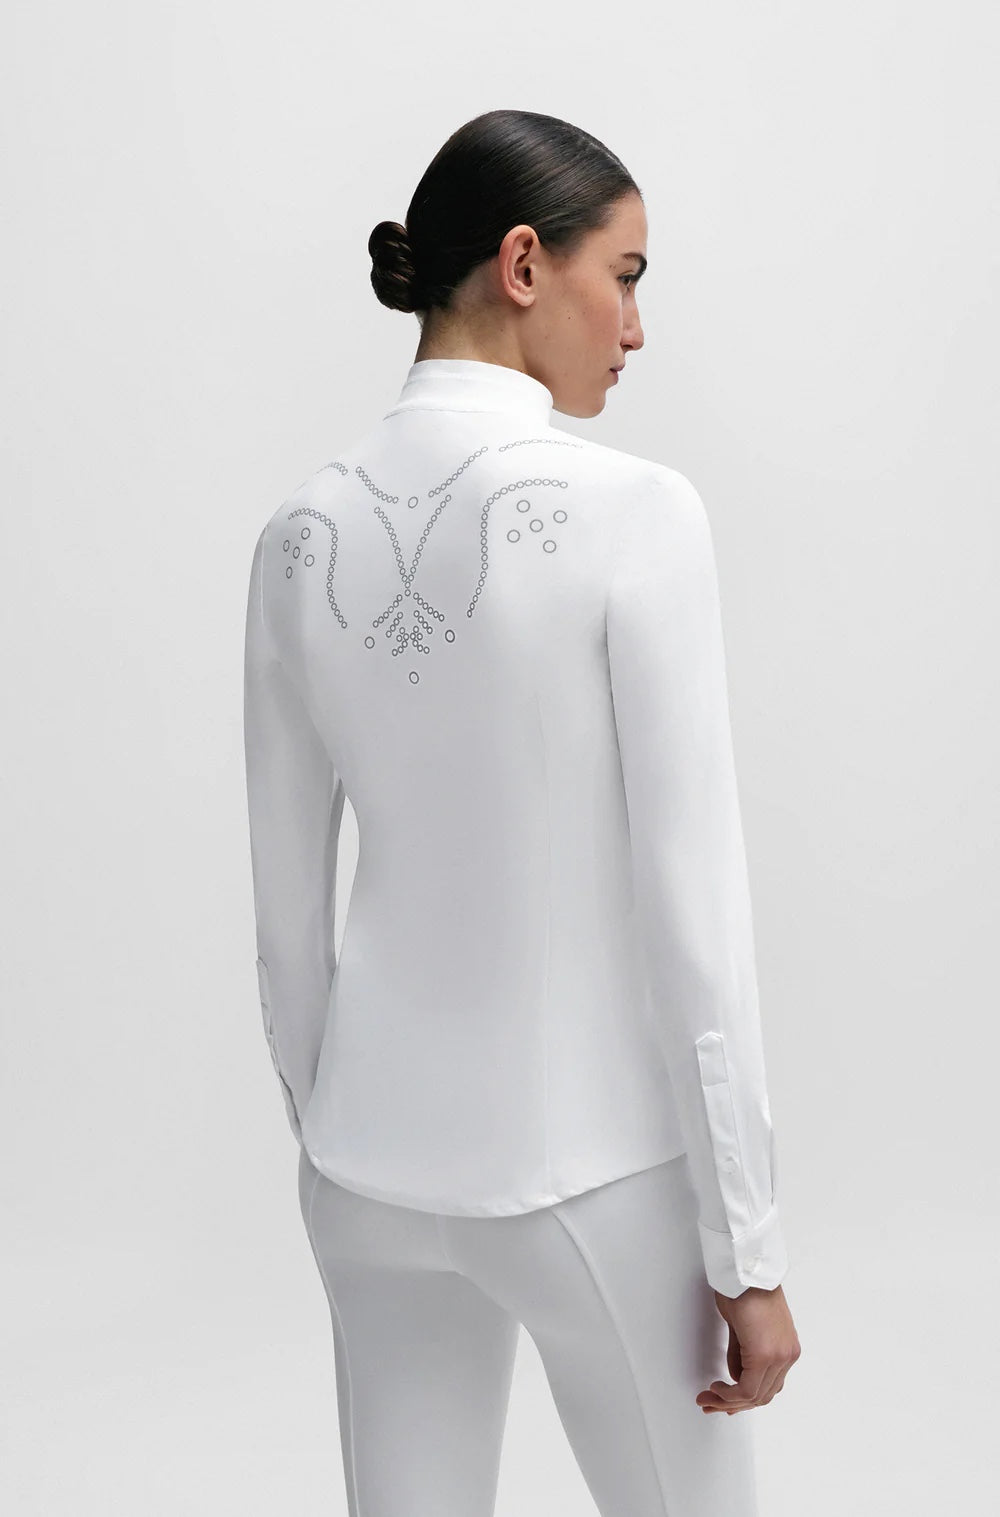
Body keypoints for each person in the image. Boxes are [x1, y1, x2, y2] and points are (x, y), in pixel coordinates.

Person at [242, 107, 801, 1516]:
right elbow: (694, 912)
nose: (636, 327)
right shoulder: (637, 513)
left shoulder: (294, 536)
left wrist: (335, 1139)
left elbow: (286, 924)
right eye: (627, 275)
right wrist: (747, 1248)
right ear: (523, 263)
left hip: (364, 1180)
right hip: (587, 1173)